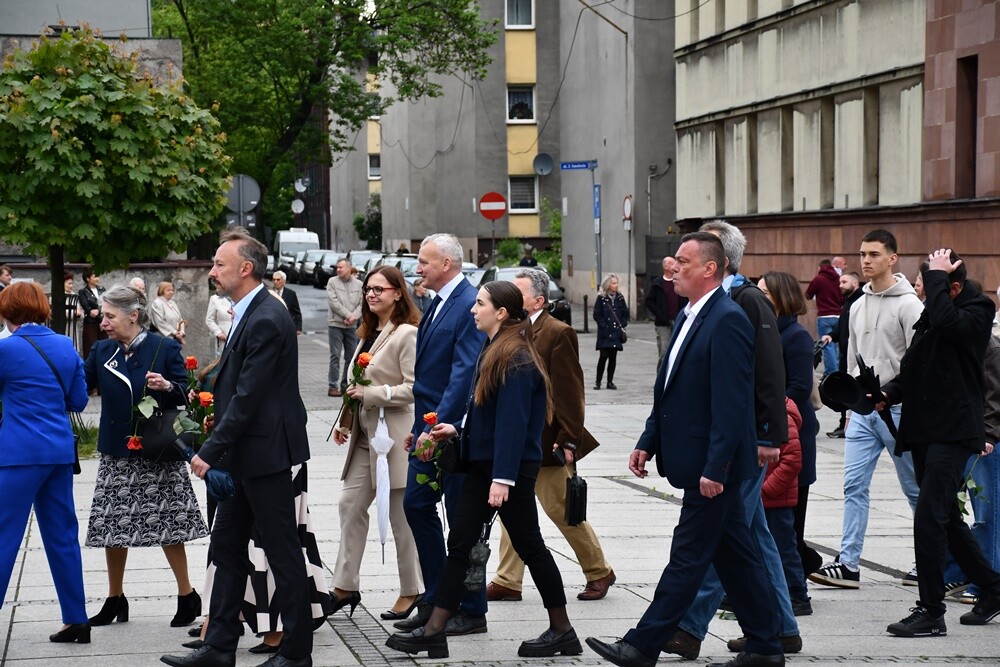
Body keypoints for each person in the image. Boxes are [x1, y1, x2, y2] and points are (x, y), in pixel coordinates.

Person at [585, 232, 783, 667]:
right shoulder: (690, 315)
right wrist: (647, 440)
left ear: (710, 269)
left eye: (683, 261)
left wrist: (716, 467)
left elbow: (731, 403)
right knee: (736, 556)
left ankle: (642, 644)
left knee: (688, 554)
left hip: (715, 467)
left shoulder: (728, 318)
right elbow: (672, 391)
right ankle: (768, 646)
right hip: (699, 460)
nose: (673, 267)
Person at [386, 280, 580, 660]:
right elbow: (488, 416)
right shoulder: (496, 348)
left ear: (501, 312)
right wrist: (455, 429)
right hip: (484, 466)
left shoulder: (516, 357)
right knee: (459, 543)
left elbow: (513, 423)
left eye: (480, 304)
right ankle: (435, 630)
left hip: (507, 471)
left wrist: (503, 479)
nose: (473, 310)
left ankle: (562, 629)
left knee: (531, 546)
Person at [162, 228, 312, 667]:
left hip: (263, 456)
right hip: (246, 456)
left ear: (245, 269)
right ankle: (219, 646)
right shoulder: (248, 310)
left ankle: (296, 654)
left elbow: (250, 396)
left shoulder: (266, 315)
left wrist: (209, 451)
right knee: (226, 548)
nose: (212, 270)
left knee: (283, 554)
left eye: (219, 264)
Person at [665, 221, 797, 661]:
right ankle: (779, 629)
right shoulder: (707, 304)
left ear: (716, 260)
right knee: (747, 537)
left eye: (692, 256)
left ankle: (687, 626)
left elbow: (767, 372)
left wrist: (768, 434)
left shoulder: (744, 301)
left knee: (719, 535)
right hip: (735, 440)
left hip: (743, 443)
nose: (679, 263)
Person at [881, 249, 1000, 637]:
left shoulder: (977, 310)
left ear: (952, 286)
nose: (921, 292)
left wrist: (935, 278)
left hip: (956, 431)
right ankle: (995, 587)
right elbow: (918, 368)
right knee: (945, 515)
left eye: (928, 284)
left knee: (929, 516)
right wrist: (881, 394)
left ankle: (931, 611)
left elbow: (951, 325)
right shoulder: (935, 315)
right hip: (925, 430)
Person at [487, 269, 614, 603]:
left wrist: (569, 439)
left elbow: (570, 392)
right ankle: (507, 580)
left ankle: (599, 570)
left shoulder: (558, 332)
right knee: (512, 510)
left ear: (538, 301)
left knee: (560, 509)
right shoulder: (507, 330)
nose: (511, 298)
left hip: (548, 442)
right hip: (517, 440)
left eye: (519, 293)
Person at [83, 285, 207, 629]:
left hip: (156, 449)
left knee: (167, 524)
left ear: (133, 316)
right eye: (104, 316)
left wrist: (168, 387)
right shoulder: (101, 350)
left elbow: (187, 394)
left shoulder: (163, 347)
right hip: (116, 450)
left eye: (110, 316)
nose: (103, 322)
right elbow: (81, 386)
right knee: (112, 526)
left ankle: (187, 594)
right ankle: (114, 598)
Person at [809, 229, 922, 589]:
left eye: (874, 254)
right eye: (862, 254)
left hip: (900, 410)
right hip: (862, 411)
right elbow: (853, 360)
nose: (866, 260)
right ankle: (849, 563)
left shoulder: (910, 305)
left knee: (916, 489)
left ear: (893, 258)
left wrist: (894, 396)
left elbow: (917, 364)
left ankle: (932, 560)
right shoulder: (855, 305)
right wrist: (849, 406)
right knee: (853, 485)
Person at [396, 233, 487, 636]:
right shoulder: (438, 301)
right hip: (428, 427)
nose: (418, 268)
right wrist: (419, 430)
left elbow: (463, 374)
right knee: (416, 506)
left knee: (461, 521)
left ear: (446, 264)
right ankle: (436, 596)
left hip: (449, 433)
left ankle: (470, 608)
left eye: (424, 261)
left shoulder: (468, 304)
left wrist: (435, 429)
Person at [331, 266, 423, 621]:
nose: (371, 295)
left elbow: (415, 388)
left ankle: (412, 591)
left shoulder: (407, 334)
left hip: (395, 439)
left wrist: (375, 393)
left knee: (401, 518)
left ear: (398, 293)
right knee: (349, 506)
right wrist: (344, 420)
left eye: (379, 289)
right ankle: (345, 585)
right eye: (368, 289)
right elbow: (355, 384)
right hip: (363, 437)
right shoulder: (368, 332)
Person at [0, 283, 90, 644]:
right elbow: (79, 401)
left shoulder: (6, 350)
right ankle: (77, 619)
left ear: (9, 311)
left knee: (4, 536)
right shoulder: (66, 346)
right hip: (59, 452)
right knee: (62, 536)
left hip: (19, 454)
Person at [757, 271, 816, 612]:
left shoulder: (795, 336)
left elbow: (799, 387)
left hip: (790, 433)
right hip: (769, 430)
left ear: (781, 296)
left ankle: (795, 589)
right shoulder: (764, 330)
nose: (759, 296)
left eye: (765, 291)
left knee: (788, 523)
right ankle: (783, 583)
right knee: (774, 524)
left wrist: (769, 412)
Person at [821, 271, 863, 439]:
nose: (840, 285)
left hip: (856, 356)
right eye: (840, 282)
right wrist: (832, 335)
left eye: (844, 282)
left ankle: (850, 423)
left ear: (855, 283)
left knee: (850, 390)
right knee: (845, 390)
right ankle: (844, 423)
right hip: (846, 356)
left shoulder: (860, 301)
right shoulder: (848, 303)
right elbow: (842, 327)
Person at [327, 258, 362, 397]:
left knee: (351, 356)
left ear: (349, 268)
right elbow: (333, 302)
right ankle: (332, 386)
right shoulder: (332, 282)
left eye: (341, 267)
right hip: (336, 324)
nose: (338, 270)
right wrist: (348, 315)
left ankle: (345, 385)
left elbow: (362, 303)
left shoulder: (359, 284)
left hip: (351, 326)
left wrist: (354, 316)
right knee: (335, 355)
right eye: (337, 268)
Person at [644, 257, 685, 372]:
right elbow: (649, 301)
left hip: (678, 320)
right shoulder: (657, 283)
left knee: (678, 351)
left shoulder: (680, 281)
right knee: (664, 351)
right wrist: (659, 313)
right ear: (666, 267)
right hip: (663, 323)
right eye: (672, 262)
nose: (675, 265)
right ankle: (661, 379)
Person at [805, 259, 844, 376]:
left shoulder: (819, 279)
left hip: (824, 316)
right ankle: (838, 371)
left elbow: (808, 294)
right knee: (837, 346)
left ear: (820, 267)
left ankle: (831, 373)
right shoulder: (839, 279)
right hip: (838, 315)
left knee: (827, 346)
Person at [593, 274, 628, 390]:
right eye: (613, 283)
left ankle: (610, 381)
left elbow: (625, 313)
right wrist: (603, 326)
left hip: (616, 332)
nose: (616, 285)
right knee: (603, 357)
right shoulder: (602, 298)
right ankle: (598, 381)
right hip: (605, 333)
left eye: (616, 283)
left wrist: (622, 325)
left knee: (613, 357)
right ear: (608, 284)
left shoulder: (620, 298)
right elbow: (597, 314)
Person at [78, 269, 107, 360]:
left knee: (104, 347)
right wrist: (98, 314)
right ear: (87, 278)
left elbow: (106, 304)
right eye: (95, 276)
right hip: (91, 323)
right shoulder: (83, 292)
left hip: (103, 322)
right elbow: (88, 310)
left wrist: (99, 312)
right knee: (91, 347)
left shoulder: (102, 290)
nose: (97, 278)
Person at [149, 281, 187, 346]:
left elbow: (180, 319)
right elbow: (159, 322)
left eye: (172, 290)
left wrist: (181, 332)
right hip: (161, 338)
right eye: (168, 290)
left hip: (175, 338)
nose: (171, 292)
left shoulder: (172, 303)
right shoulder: (157, 303)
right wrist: (175, 333)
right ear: (161, 291)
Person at [204, 281, 233, 356]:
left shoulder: (238, 297)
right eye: (217, 284)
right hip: (224, 335)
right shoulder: (215, 299)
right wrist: (218, 333)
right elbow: (209, 319)